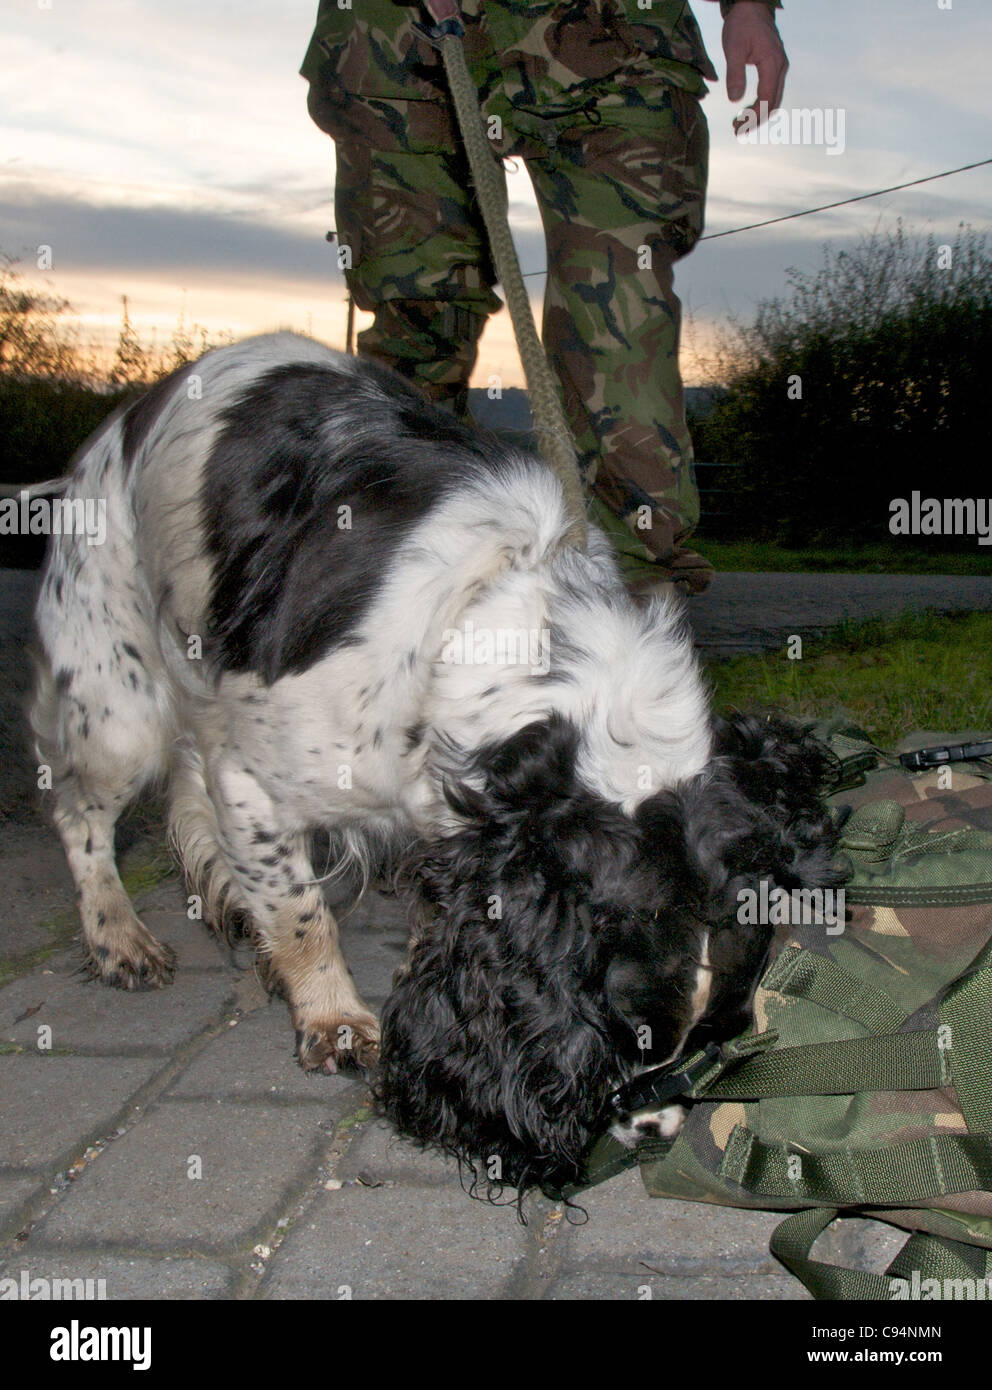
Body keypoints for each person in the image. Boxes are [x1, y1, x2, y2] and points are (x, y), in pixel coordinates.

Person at [300, 1, 788, 596]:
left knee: (617, 315)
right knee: (420, 315)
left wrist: (750, 7)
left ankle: (623, 604)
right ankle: (400, 584)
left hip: (611, 35)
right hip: (396, 45)